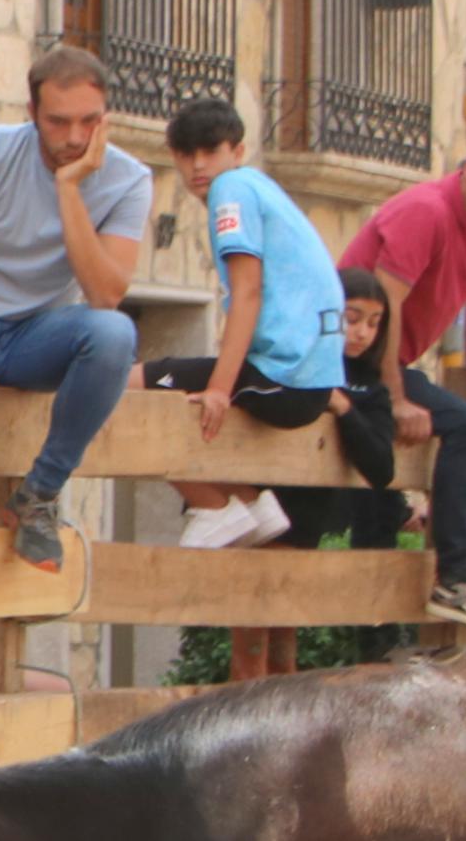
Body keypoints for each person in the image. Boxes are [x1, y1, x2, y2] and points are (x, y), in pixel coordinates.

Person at [139, 101, 377, 679]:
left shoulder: (233, 193)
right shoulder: (264, 191)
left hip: (284, 376)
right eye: (187, 154)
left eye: (211, 151)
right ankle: (246, 505)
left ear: (236, 152)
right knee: (151, 387)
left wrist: (220, 387)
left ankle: (219, 505)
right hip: (309, 380)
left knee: (128, 390)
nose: (200, 166)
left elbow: (246, 293)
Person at [0, 38, 147, 574]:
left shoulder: (129, 180)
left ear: (106, 116)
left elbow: (105, 295)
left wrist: (69, 189)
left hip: (37, 339)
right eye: (58, 122)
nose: (74, 137)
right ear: (32, 114)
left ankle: (39, 493)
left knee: (115, 334)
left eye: (89, 121)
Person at [334, 131, 466, 627]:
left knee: (382, 505)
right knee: (465, 429)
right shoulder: (426, 210)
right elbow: (387, 306)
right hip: (345, 355)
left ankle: (381, 648)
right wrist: (397, 398)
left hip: (387, 362)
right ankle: (456, 575)